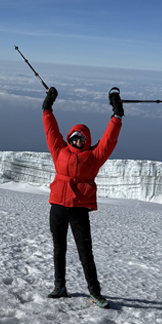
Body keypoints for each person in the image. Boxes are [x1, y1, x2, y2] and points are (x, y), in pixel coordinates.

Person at [41, 86, 123, 308]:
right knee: (59, 248)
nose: (77, 141)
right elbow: (51, 131)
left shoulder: (93, 157)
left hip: (79, 209)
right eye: (75, 137)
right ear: (70, 138)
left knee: (85, 252)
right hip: (57, 206)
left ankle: (95, 293)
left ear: (86, 140)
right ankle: (60, 286)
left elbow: (108, 141)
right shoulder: (59, 150)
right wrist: (47, 108)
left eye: (81, 138)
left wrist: (116, 115)